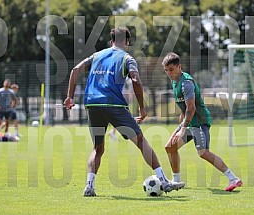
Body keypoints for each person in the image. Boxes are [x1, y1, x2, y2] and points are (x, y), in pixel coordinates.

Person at [63, 27, 184, 197]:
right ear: (127, 42)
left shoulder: (96, 56)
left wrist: (69, 97)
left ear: (111, 41)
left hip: (92, 104)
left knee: (98, 148)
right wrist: (142, 107)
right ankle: (163, 180)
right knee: (141, 142)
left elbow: (75, 70)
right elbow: (135, 79)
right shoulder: (127, 58)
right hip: (114, 106)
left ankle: (89, 186)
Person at [162, 52, 242, 192]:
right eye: (166, 70)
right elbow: (184, 107)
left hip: (199, 122)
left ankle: (233, 178)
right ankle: (176, 180)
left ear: (179, 67)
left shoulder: (186, 83)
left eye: (171, 70)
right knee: (170, 147)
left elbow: (191, 108)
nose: (169, 73)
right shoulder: (174, 82)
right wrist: (182, 123)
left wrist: (182, 129)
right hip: (189, 123)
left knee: (203, 153)